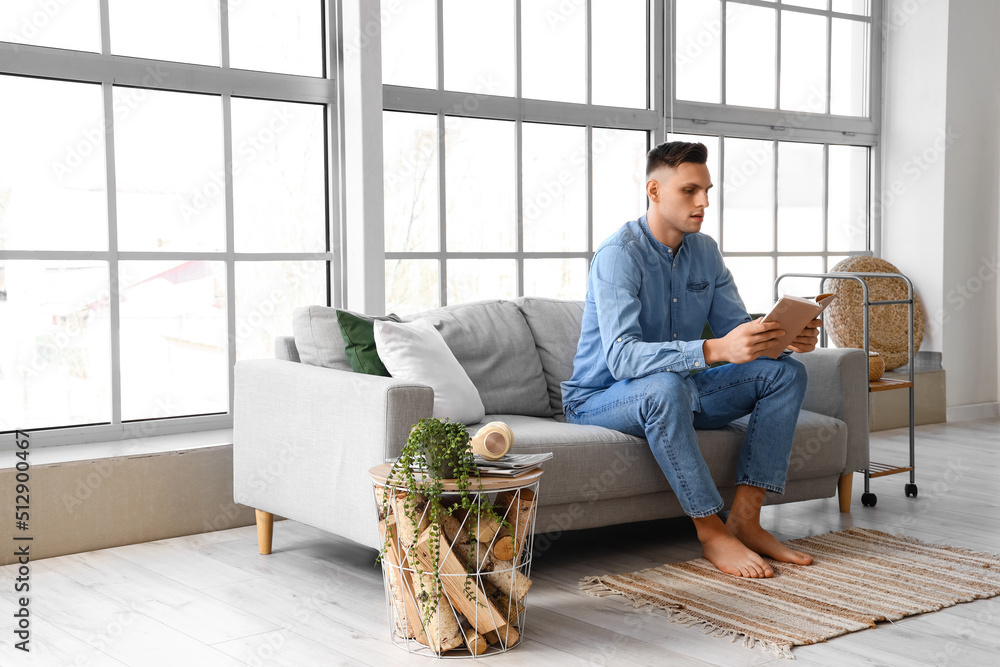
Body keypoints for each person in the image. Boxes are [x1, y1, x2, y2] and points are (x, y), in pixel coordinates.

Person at [562, 140, 821, 578]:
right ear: (654, 191)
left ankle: (746, 520)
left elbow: (735, 328)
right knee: (666, 386)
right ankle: (711, 531)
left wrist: (781, 337)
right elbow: (623, 358)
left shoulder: (705, 251)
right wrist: (715, 349)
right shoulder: (618, 256)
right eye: (689, 191)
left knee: (784, 373)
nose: (703, 202)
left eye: (707, 190)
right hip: (602, 398)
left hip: (686, 389)